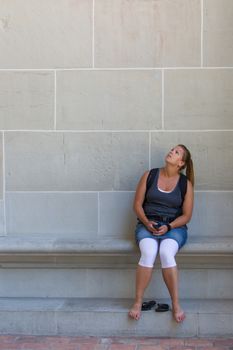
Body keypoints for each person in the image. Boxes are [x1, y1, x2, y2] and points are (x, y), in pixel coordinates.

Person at [129, 144, 194, 323]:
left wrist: (170, 227)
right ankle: (138, 301)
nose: (172, 151)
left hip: (174, 228)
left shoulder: (185, 184)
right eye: (173, 149)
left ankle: (176, 304)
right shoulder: (149, 175)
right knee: (149, 252)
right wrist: (146, 222)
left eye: (177, 152)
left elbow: (187, 216)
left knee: (166, 252)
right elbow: (137, 204)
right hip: (147, 224)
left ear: (181, 163)